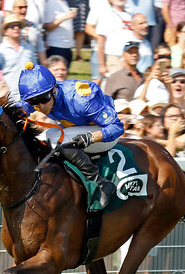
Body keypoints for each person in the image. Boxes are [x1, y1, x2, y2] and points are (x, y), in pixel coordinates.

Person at [14, 62, 123, 211]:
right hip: (75, 128)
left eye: (44, 99)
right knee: (39, 140)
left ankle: (102, 184)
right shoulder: (41, 95)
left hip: (103, 132)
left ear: (53, 90)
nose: (41, 106)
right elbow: (23, 105)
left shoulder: (81, 99)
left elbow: (117, 127)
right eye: (34, 102)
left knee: (55, 138)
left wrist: (91, 137)